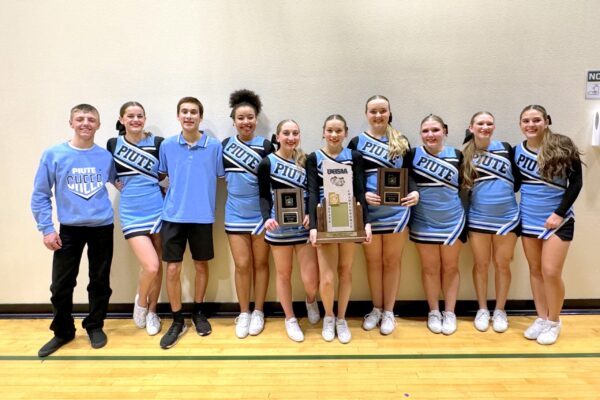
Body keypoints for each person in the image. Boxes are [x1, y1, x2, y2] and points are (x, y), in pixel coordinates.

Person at [31, 104, 116, 357]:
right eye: (80, 119)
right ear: (71, 123)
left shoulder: (105, 157)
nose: (86, 123)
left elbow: (123, 182)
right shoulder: (54, 154)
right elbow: (40, 194)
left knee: (99, 282)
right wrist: (47, 228)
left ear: (98, 125)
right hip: (69, 229)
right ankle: (63, 332)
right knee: (61, 285)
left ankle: (95, 325)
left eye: (91, 119)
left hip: (102, 227)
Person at [348, 95, 419, 335]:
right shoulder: (357, 142)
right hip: (369, 213)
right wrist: (362, 196)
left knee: (392, 262)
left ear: (389, 112)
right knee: (373, 262)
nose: (378, 115)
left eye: (382, 110)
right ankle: (376, 308)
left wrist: (415, 192)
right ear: (366, 114)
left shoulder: (401, 140)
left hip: (396, 212)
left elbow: (409, 173)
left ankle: (389, 311)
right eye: (373, 111)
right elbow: (349, 178)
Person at [158, 97, 224, 349]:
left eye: (193, 112)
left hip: (202, 217)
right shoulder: (167, 145)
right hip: (172, 217)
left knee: (201, 266)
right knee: (173, 270)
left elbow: (220, 177)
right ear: (178, 116)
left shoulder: (214, 146)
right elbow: (162, 175)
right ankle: (177, 320)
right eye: (184, 112)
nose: (189, 116)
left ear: (200, 116)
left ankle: (198, 311)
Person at [514, 105, 583, 345]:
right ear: (520, 124)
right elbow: (513, 185)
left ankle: (554, 321)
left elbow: (575, 183)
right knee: (535, 271)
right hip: (529, 218)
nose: (530, 125)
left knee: (551, 272)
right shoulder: (517, 151)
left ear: (546, 121)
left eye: (536, 120)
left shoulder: (562, 145)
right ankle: (541, 317)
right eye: (525, 120)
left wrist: (559, 212)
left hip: (558, 219)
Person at [306, 114, 372, 344]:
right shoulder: (314, 157)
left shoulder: (354, 156)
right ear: (323, 132)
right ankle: (329, 317)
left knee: (345, 272)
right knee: (327, 278)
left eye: (338, 131)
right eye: (330, 130)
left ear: (345, 132)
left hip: (350, 221)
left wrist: (366, 223)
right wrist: (313, 226)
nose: (334, 135)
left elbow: (360, 191)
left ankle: (342, 318)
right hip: (325, 221)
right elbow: (313, 192)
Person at [257, 120, 320, 342]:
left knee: (311, 279)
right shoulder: (267, 163)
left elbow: (314, 192)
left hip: (303, 229)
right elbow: (264, 195)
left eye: (295, 133)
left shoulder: (306, 160)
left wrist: (311, 216)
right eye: (286, 133)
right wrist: (267, 219)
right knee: (283, 274)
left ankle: (311, 300)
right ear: (278, 136)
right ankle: (290, 318)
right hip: (279, 229)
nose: (291, 137)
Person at [107, 101, 164, 336]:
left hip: (157, 208)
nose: (135, 120)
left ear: (145, 118)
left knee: (158, 265)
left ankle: (152, 311)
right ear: (122, 119)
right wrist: (115, 182)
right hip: (131, 211)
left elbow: (165, 171)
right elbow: (107, 169)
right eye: (130, 116)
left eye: (139, 115)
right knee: (150, 266)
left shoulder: (157, 143)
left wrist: (160, 186)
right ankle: (141, 303)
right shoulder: (113, 144)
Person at [461, 111, 519, 333]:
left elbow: (517, 181)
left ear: (494, 127)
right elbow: (464, 191)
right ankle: (483, 309)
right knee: (481, 264)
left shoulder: (506, 148)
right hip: (478, 217)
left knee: (503, 264)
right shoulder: (465, 154)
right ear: (471, 126)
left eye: (489, 123)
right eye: (480, 123)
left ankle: (501, 310)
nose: (485, 127)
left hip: (507, 218)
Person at [222, 89, 273, 339]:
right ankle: (243, 312)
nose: (246, 122)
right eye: (241, 118)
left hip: (261, 214)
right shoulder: (224, 147)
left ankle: (259, 311)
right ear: (233, 121)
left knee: (261, 264)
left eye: (250, 117)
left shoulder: (266, 146)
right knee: (242, 265)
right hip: (234, 213)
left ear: (256, 119)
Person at [410, 114, 465, 336]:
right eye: (425, 131)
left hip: (452, 219)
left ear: (445, 131)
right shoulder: (413, 154)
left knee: (451, 268)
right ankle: (434, 311)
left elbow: (465, 187)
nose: (430, 135)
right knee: (430, 268)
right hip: (424, 220)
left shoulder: (458, 155)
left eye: (435, 130)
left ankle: (450, 312)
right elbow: (406, 179)